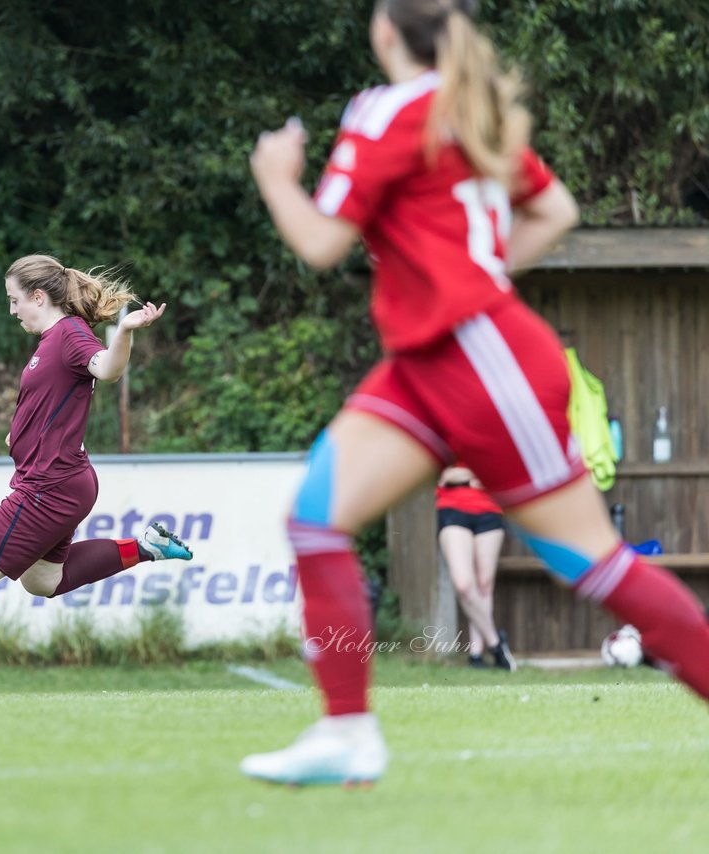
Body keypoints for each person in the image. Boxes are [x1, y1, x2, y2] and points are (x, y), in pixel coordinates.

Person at [239, 0, 709, 785]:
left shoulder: (386, 110)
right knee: (316, 521)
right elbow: (554, 209)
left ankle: (348, 733)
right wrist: (475, 272)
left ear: (385, 29)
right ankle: (348, 735)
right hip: (429, 359)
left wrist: (275, 176)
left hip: (484, 358)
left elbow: (321, 242)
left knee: (593, 564)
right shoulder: (461, 105)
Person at [0, 254, 193, 700]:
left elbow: (107, 369)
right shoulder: (52, 340)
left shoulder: (70, 333)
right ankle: (144, 547)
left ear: (38, 295)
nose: (12, 311)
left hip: (48, 488)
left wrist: (125, 333)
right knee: (42, 582)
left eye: (15, 301)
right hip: (62, 483)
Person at [436, 463, 513, 670]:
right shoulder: (451, 434)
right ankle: (496, 644)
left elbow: (506, 471)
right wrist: (481, 474)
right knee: (463, 584)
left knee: (484, 586)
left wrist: (464, 477)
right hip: (452, 509)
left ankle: (476, 656)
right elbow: (445, 475)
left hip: (490, 510)